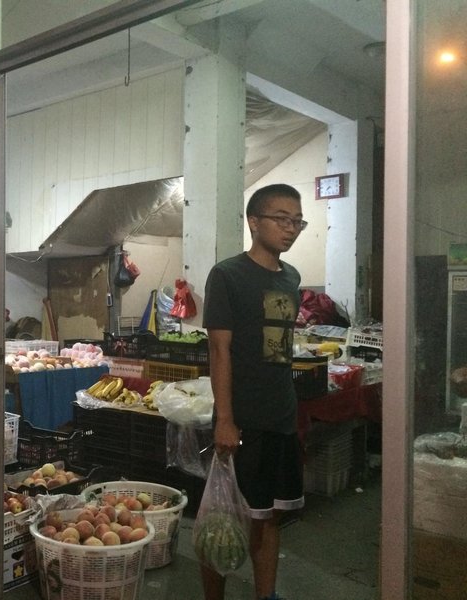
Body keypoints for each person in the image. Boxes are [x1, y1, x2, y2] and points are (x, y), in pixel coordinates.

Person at [201, 183, 307, 600]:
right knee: (223, 520)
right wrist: (226, 420)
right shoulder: (228, 275)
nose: (290, 228)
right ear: (254, 222)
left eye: (297, 221)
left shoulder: (292, 277)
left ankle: (267, 596)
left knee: (269, 515)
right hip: (242, 419)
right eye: (281, 219)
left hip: (281, 415)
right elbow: (219, 350)